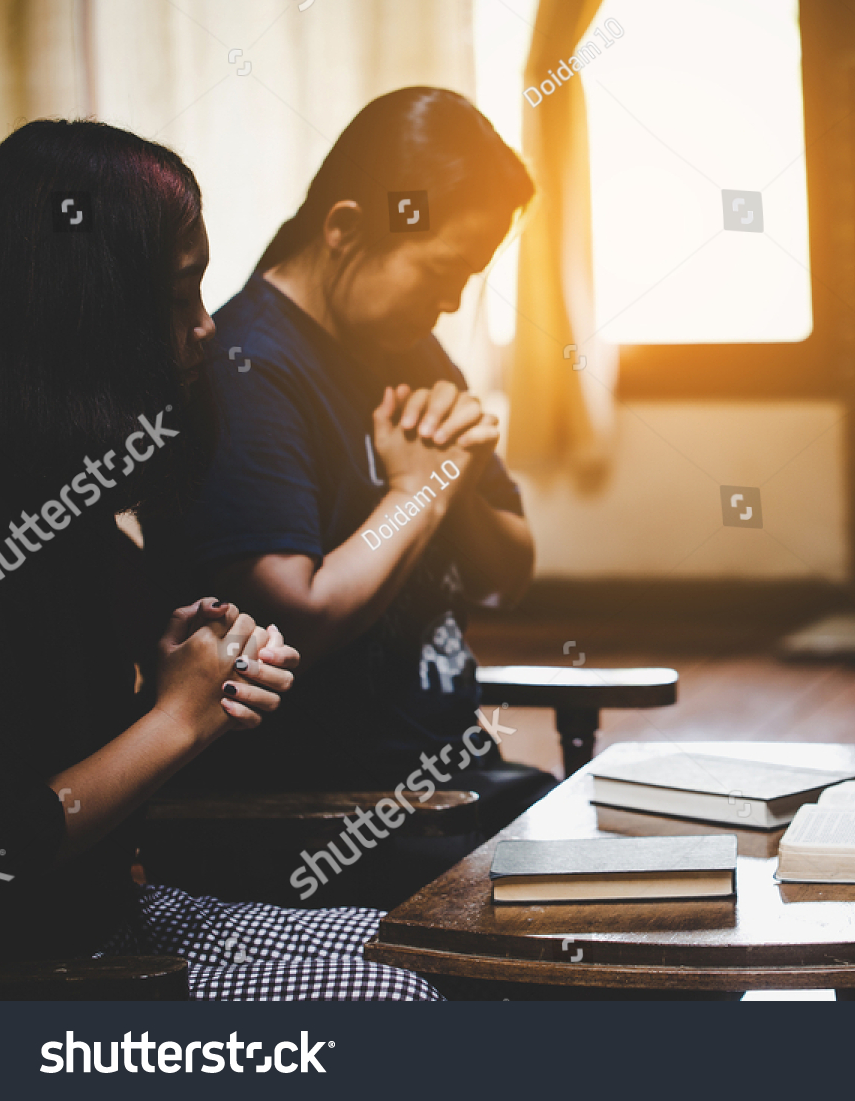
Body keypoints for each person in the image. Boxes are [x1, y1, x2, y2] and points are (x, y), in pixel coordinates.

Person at [0, 119, 439, 1000]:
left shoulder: (72, 510)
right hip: (55, 972)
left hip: (121, 914)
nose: (205, 326)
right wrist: (176, 721)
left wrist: (173, 678)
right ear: (90, 315)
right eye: (179, 294)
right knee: (407, 999)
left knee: (424, 956)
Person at [142, 88, 555, 907]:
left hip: (460, 779)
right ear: (345, 231)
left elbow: (511, 572)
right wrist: (421, 486)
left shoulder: (410, 347)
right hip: (335, 818)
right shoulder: (247, 372)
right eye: (443, 271)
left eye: (471, 277)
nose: (453, 302)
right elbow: (300, 616)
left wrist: (457, 479)